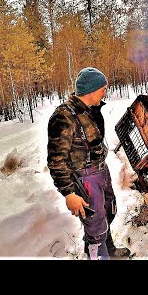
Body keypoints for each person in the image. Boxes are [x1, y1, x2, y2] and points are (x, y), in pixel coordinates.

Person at [47, 67, 131, 260]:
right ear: (92, 90)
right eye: (103, 89)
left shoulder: (90, 110)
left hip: (100, 172)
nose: (105, 93)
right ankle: (98, 255)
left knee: (107, 213)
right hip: (85, 178)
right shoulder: (64, 117)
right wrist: (69, 193)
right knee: (94, 224)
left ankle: (107, 249)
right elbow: (56, 160)